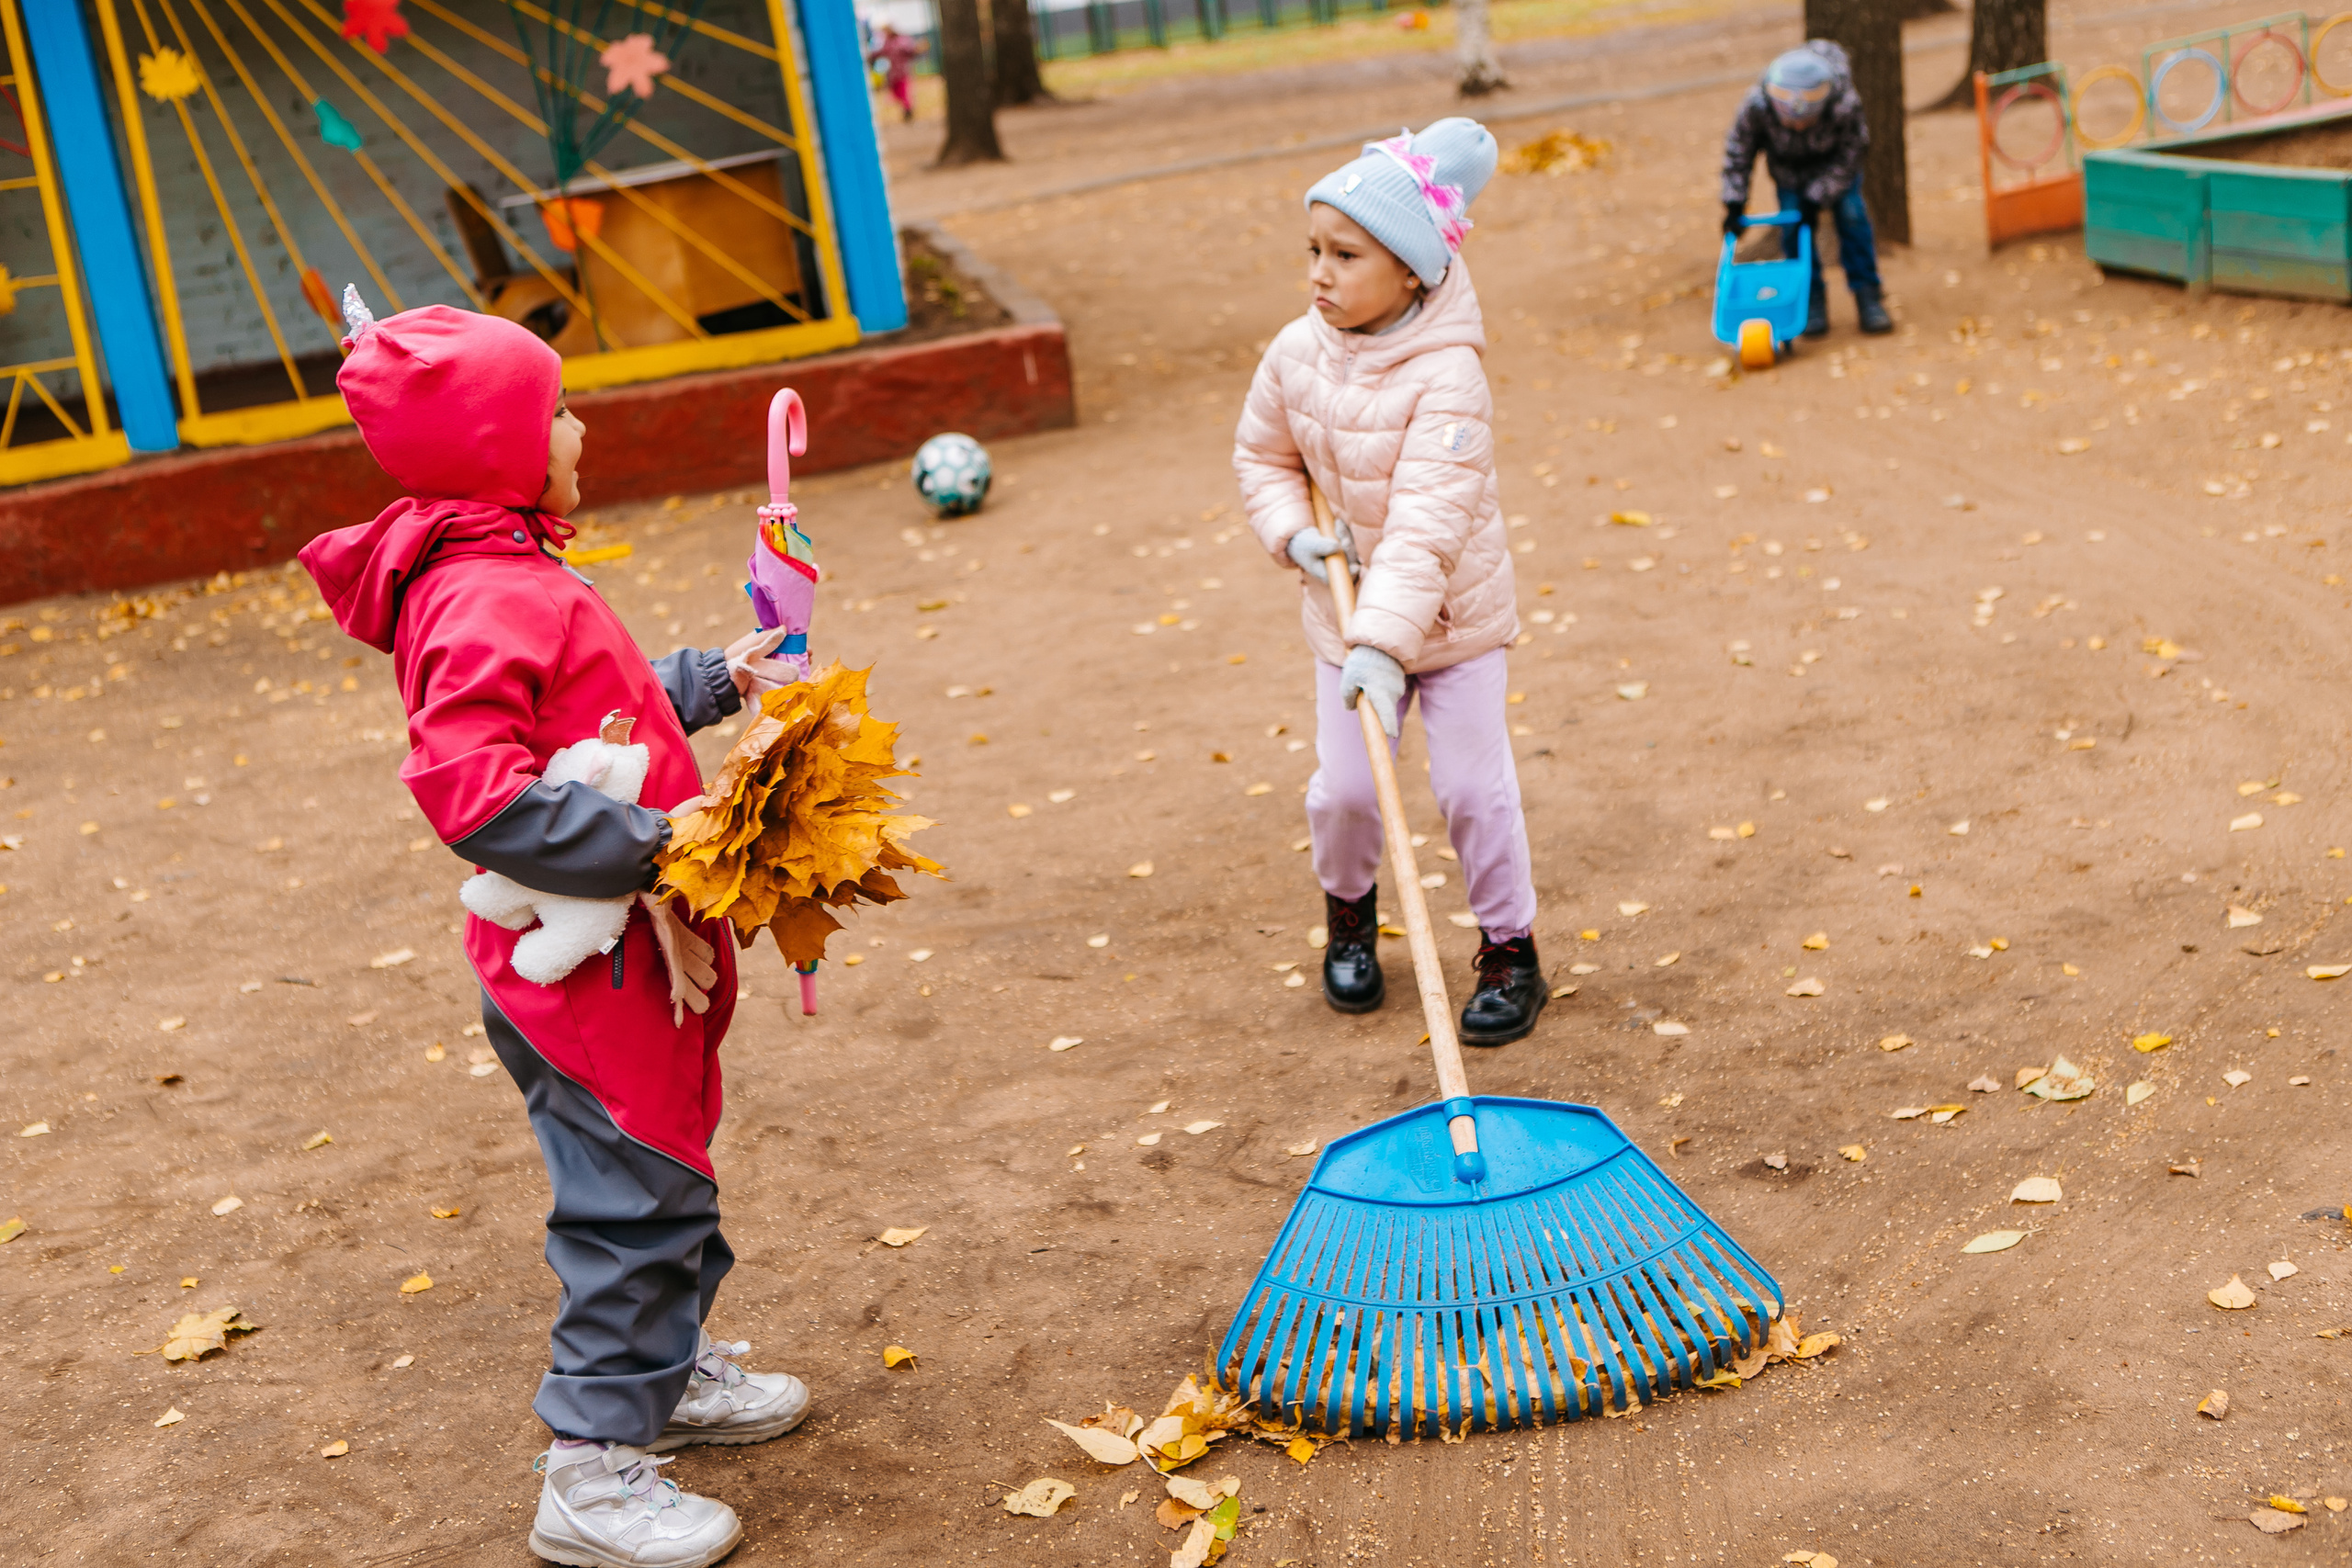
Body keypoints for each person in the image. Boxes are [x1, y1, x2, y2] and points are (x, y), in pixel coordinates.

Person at [300, 300, 804, 1568]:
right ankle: (590, 1470)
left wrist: (708, 679)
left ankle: (664, 1374)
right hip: (584, 968)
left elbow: (594, 711)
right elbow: (472, 788)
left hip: (628, 954)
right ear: (499, 445)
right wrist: (659, 841)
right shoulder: (481, 591)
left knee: (666, 1170)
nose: (579, 429)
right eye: (559, 410)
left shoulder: (516, 563)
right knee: (634, 1197)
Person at [1234, 118, 1548, 1048]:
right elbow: (1263, 456)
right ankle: (1349, 915)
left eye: (1346, 255)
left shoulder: (1449, 376)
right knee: (1344, 793)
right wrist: (1292, 534)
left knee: (1472, 791)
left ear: (1411, 271)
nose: (1319, 274)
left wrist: (1384, 642)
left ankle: (1510, 950)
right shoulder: (1296, 352)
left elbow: (1426, 524)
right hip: (1345, 618)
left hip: (1449, 622)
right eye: (1314, 251)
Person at [1720, 40, 1893, 338]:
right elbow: (1739, 152)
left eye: (1807, 121)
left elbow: (1853, 152)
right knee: (1792, 227)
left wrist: (1817, 197)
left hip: (1834, 171)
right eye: (1790, 122)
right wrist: (1734, 203)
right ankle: (1809, 300)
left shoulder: (1844, 103)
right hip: (1789, 175)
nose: (1798, 127)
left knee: (1852, 215)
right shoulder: (1756, 106)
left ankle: (1868, 294)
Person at [868, 22, 922, 123]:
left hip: (902, 72)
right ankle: (907, 108)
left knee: (903, 92)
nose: (885, 34)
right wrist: (871, 56)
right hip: (893, 74)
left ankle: (908, 111)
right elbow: (880, 52)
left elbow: (911, 51)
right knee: (896, 93)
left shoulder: (902, 41)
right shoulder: (887, 42)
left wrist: (918, 49)